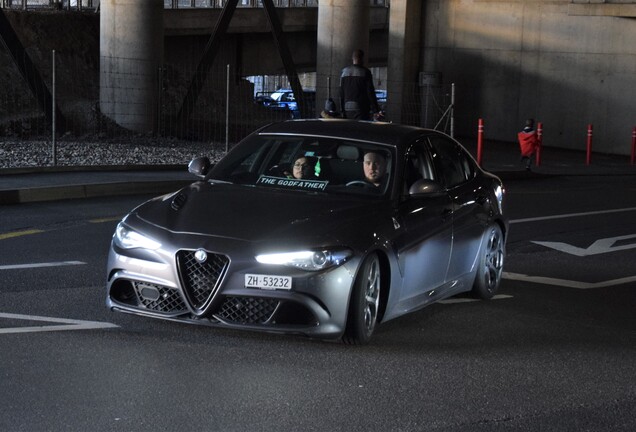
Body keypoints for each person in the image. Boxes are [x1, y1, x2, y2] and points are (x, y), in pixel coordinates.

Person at [339, 49, 380, 121]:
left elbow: (341, 93)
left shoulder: (344, 72)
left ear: (352, 58)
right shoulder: (365, 72)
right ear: (362, 59)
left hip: (347, 108)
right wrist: (375, 110)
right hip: (361, 108)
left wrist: (342, 110)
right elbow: (370, 92)